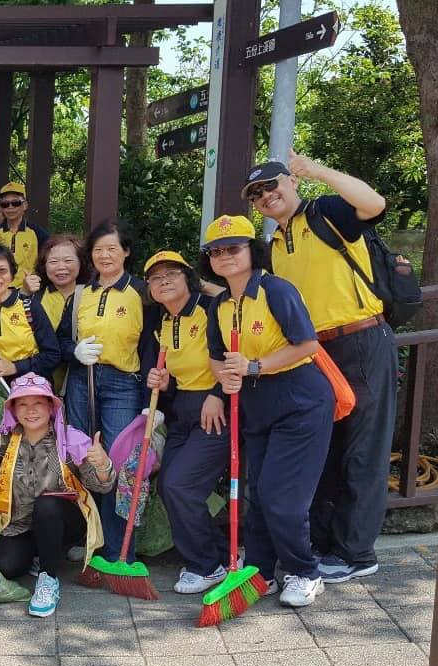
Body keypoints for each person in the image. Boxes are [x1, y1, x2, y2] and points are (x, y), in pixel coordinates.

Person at [244, 153, 397, 585]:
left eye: (271, 185)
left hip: (360, 340)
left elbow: (374, 204)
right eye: (256, 195)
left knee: (362, 450)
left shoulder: (326, 213)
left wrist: (316, 170)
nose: (266, 196)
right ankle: (326, 545)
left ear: (290, 183)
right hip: (315, 353)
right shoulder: (275, 245)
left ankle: (356, 552)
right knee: (325, 450)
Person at [201, 214, 334, 607]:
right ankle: (259, 570)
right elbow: (215, 356)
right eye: (216, 251)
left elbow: (307, 344)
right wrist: (224, 379)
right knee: (255, 493)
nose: (225, 256)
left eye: (233, 248)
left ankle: (305, 571)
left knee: (282, 497)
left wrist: (255, 367)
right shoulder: (221, 304)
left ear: (251, 251)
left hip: (299, 400)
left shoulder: (276, 290)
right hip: (255, 404)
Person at [0, 373, 114, 618]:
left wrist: (102, 465)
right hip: (20, 525)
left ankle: (48, 578)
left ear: (51, 406)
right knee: (7, 567)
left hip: (65, 520)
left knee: (47, 505)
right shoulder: (3, 440)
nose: (31, 411)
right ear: (14, 410)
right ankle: (42, 552)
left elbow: (102, 487)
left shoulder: (71, 440)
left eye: (38, 403)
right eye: (23, 404)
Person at [57, 219, 154, 566]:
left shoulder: (142, 292)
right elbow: (60, 342)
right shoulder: (82, 294)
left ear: (126, 252)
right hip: (83, 382)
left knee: (115, 462)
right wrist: (75, 351)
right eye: (98, 249)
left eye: (112, 248)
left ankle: (118, 548)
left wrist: (147, 403)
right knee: (83, 459)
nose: (105, 255)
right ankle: (90, 540)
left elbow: (150, 349)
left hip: (123, 385)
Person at [142, 251, 230, 595]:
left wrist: (218, 393)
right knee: (168, 486)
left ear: (188, 278)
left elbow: (235, 357)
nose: (163, 281)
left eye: (172, 274)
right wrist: (165, 384)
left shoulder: (212, 311)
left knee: (180, 485)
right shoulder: (161, 322)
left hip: (214, 409)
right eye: (155, 277)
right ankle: (220, 556)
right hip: (183, 409)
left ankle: (205, 566)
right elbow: (178, 374)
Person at [0, 243, 60, 381]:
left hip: (32, 387)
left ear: (12, 274)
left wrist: (16, 367)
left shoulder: (28, 306)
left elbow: (53, 355)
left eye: (2, 270)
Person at [24, 234, 89, 393]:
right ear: (44, 266)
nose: (61, 267)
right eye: (53, 262)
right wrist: (24, 294)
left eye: (68, 261)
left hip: (83, 381)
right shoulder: (36, 298)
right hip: (42, 382)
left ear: (81, 262)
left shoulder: (92, 295)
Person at [0, 182, 49, 289]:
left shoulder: (37, 233)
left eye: (15, 203)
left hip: (29, 291)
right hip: (1, 291)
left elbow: (48, 262)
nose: (10, 207)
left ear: (25, 205)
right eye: (5, 204)